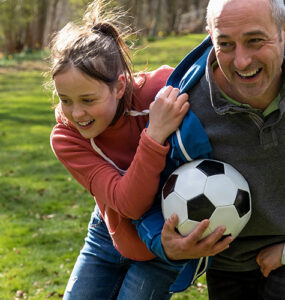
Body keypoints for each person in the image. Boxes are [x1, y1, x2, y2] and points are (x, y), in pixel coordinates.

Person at [136, 0, 285, 299]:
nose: (241, 61)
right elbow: (141, 199)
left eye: (255, 40)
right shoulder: (182, 111)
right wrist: (162, 242)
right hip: (226, 266)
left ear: (283, 31)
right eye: (225, 44)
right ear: (209, 36)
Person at [48, 1, 194, 299]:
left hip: (164, 242)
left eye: (87, 100)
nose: (76, 113)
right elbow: (129, 204)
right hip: (108, 231)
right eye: (65, 99)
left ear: (119, 86)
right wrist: (154, 137)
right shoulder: (66, 137)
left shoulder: (162, 90)